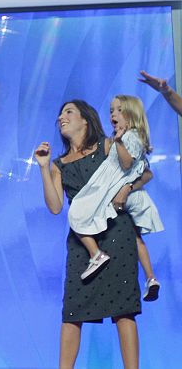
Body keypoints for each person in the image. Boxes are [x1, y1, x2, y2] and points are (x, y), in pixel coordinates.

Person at [34, 100, 142, 369]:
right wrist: (43, 167)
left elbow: (141, 170)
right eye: (60, 114)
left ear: (85, 120)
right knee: (72, 311)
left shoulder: (107, 146)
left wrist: (126, 190)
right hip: (82, 243)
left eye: (69, 112)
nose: (62, 117)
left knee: (123, 309)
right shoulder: (59, 164)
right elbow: (55, 206)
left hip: (116, 232)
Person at [67, 96, 163, 293]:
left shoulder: (129, 137)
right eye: (111, 110)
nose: (113, 114)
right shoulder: (128, 137)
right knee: (135, 236)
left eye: (118, 110)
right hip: (131, 195)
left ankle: (96, 254)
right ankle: (151, 277)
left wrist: (118, 142)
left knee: (77, 212)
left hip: (125, 193)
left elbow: (129, 165)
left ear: (131, 114)